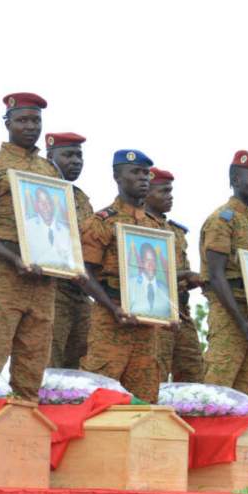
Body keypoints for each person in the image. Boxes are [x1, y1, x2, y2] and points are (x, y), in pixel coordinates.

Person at [0, 92, 61, 401]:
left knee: (33, 367)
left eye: (36, 121)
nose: (30, 126)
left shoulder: (51, 173)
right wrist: (14, 259)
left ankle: (23, 436)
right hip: (7, 273)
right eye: (22, 120)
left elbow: (62, 228)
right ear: (7, 123)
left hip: (44, 280)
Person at [77, 149, 164, 402]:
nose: (143, 178)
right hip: (110, 319)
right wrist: (112, 308)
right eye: (135, 172)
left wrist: (166, 310)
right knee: (100, 393)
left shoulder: (155, 226)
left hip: (147, 326)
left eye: (146, 173)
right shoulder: (102, 222)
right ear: (117, 176)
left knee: (145, 397)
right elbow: (83, 274)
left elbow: (159, 277)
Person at [199, 150, 248, 395]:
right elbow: (217, 276)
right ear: (236, 180)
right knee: (218, 390)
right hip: (229, 313)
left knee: (244, 391)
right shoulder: (223, 219)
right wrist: (241, 321)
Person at [145, 167, 204, 382]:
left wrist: (190, 280)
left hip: (181, 311)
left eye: (171, 192)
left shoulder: (176, 231)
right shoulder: (138, 228)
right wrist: (185, 274)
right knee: (155, 374)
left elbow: (181, 273)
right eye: (164, 192)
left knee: (193, 375)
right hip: (155, 313)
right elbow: (145, 273)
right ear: (146, 192)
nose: (169, 197)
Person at [47, 133, 93, 369]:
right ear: (50, 157)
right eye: (68, 155)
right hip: (52, 289)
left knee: (79, 363)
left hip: (81, 291)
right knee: (49, 360)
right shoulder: (39, 193)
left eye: (79, 156)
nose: (75, 161)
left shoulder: (82, 199)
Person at [23, 186, 74, 268]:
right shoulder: (27, 227)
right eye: (41, 202)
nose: (45, 206)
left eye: (48, 201)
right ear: (36, 206)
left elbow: (72, 264)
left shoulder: (66, 232)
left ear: (53, 205)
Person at [128, 242, 172, 318]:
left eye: (153, 260)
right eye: (147, 260)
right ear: (141, 263)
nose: (151, 264)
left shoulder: (165, 289)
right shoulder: (130, 284)